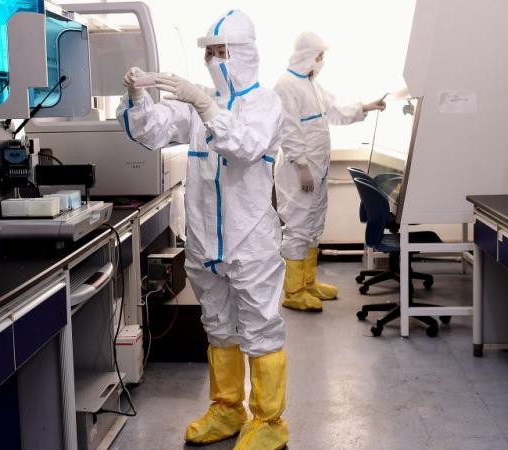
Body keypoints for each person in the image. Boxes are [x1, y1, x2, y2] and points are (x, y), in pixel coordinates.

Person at [117, 10, 288, 450]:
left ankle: (269, 422)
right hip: (204, 242)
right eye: (210, 52)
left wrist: (206, 105)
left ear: (244, 54)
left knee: (261, 327)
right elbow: (152, 131)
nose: (214, 59)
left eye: (221, 51)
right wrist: (138, 97)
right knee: (217, 325)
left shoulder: (265, 103)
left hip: (250, 241)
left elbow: (246, 145)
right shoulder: (199, 104)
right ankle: (228, 409)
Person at [274, 31, 386, 312]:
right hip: (298, 172)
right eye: (319, 56)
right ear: (306, 54)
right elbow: (288, 129)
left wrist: (366, 107)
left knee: (313, 226)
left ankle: (308, 283)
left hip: (317, 170)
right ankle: (293, 291)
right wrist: (301, 166)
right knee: (298, 227)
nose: (321, 61)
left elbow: (335, 111)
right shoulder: (286, 85)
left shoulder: (312, 84)